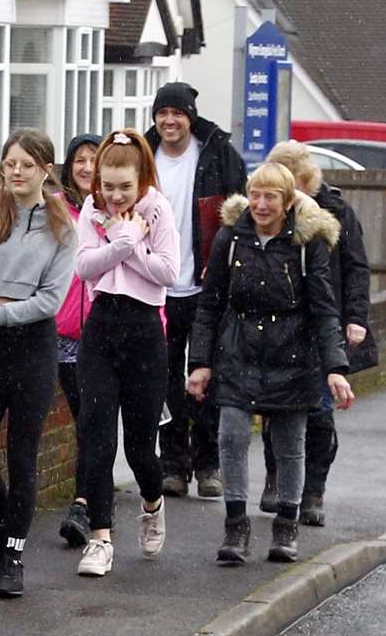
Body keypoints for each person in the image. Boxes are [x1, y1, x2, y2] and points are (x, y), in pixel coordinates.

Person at [186, 162, 354, 565]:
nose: (261, 205)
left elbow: (324, 310)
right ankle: (236, 526)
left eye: (271, 197)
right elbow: (209, 304)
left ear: (288, 201)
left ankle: (286, 527)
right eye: (256, 195)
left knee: (289, 445)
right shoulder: (230, 238)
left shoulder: (306, 243)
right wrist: (200, 362)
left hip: (293, 353)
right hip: (239, 349)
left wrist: (336, 367)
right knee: (231, 435)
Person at [0, 128, 74, 597]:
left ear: (46, 170)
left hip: (33, 350)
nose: (18, 171)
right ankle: (5, 520)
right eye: (11, 162)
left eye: (28, 164)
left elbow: (49, 302)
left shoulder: (63, 228)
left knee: (23, 455)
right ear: (2, 167)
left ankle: (15, 557)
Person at [70, 129, 179, 578]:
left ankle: (152, 503)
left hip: (144, 332)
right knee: (97, 439)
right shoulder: (92, 213)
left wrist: (126, 244)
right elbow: (83, 266)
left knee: (139, 448)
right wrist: (119, 242)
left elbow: (168, 272)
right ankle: (100, 538)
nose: (114, 197)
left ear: (143, 179)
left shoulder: (159, 210)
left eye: (124, 187)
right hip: (101, 329)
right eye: (107, 186)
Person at [259, 140, 372, 527]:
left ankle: (313, 491)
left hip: (322, 327)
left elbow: (357, 268)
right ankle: (277, 479)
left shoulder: (338, 212)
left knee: (320, 413)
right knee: (276, 409)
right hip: (278, 328)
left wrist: (356, 316)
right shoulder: (264, 215)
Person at [144, 81, 247, 499]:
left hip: (206, 286)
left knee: (207, 374)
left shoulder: (218, 155)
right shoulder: (141, 155)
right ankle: (172, 463)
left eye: (178, 113)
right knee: (164, 379)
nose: (170, 121)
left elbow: (240, 217)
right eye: (163, 113)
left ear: (190, 118)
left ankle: (208, 464)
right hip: (155, 286)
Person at [54, 132, 102, 549]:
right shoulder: (56, 211)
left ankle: (85, 506)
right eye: (79, 160)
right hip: (58, 334)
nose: (86, 167)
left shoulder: (115, 213)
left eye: (94, 159)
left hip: (100, 335)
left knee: (91, 421)